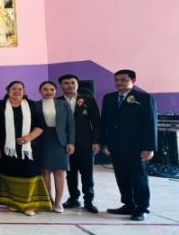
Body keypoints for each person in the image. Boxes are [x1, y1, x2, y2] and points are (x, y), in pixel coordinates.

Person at [99, 69, 158, 221]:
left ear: (133, 81)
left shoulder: (144, 98)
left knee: (138, 177)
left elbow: (150, 123)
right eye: (117, 80)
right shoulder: (109, 98)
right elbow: (104, 122)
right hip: (116, 145)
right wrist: (105, 142)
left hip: (137, 147)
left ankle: (142, 208)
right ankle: (128, 204)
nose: (119, 83)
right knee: (121, 176)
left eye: (123, 80)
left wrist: (149, 147)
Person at [0, 81, 51, 216]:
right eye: (14, 89)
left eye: (20, 89)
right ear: (8, 90)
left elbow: (41, 125)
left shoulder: (31, 104)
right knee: (9, 173)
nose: (17, 91)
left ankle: (28, 204)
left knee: (29, 173)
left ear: (24, 91)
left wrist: (29, 137)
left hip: (28, 149)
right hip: (6, 149)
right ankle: (13, 202)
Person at [59, 74, 102, 213]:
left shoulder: (88, 100)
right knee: (70, 174)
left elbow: (96, 122)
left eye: (72, 82)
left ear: (77, 84)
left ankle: (89, 201)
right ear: (61, 86)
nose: (69, 85)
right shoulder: (57, 101)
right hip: (65, 144)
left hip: (86, 143)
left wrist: (96, 141)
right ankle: (73, 199)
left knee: (87, 174)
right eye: (66, 83)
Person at [36, 81, 75, 213]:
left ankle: (58, 202)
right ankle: (48, 201)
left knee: (60, 172)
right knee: (45, 172)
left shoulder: (63, 104)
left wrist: (71, 142)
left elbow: (71, 124)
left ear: (55, 91)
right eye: (45, 89)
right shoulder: (35, 105)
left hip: (60, 141)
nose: (49, 92)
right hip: (42, 140)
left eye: (52, 89)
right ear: (40, 91)